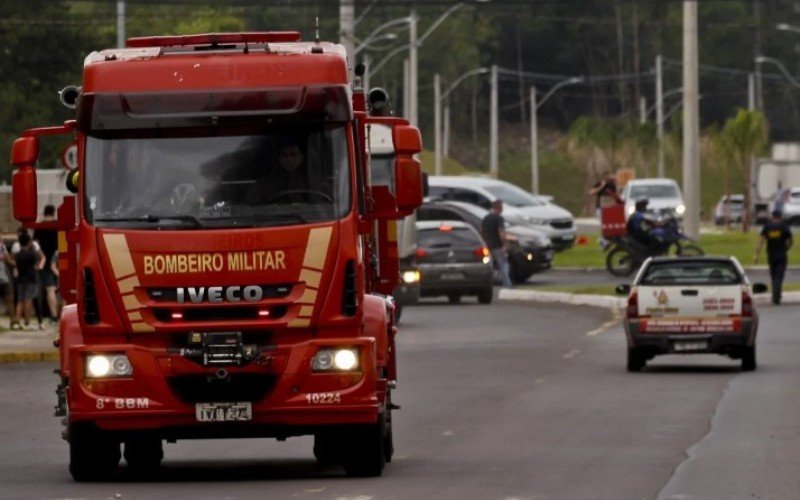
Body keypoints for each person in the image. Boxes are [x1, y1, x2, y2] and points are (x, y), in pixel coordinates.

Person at [245, 140, 311, 204]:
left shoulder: (310, 181)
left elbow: (319, 206)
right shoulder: (266, 184)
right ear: (279, 159)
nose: (289, 160)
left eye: (293, 154)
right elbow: (250, 205)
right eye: (284, 155)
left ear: (301, 157)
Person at [755, 209, 793, 305]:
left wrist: (757, 254)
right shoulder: (784, 226)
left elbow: (761, 240)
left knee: (773, 276)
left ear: (772, 216)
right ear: (780, 217)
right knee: (779, 277)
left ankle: (775, 295)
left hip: (771, 256)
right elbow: (790, 240)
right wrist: (787, 248)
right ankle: (777, 296)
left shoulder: (768, 226)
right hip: (782, 255)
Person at [12, 232, 45, 330]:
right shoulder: (32, 254)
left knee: (20, 300)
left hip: (20, 279)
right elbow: (36, 266)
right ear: (28, 242)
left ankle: (17, 322)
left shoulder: (18, 255)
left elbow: (15, 264)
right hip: (31, 279)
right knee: (28, 300)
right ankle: (27, 322)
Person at [33, 205, 59, 323]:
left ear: (44, 212)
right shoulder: (58, 225)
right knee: (62, 290)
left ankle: (53, 316)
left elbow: (35, 245)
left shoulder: (40, 227)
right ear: (53, 212)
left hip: (45, 262)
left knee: (49, 289)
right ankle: (62, 315)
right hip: (59, 259)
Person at [481, 200, 512, 287]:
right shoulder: (499, 218)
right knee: (504, 265)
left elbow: (482, 232)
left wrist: (485, 243)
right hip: (498, 246)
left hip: (488, 246)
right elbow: (501, 233)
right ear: (498, 207)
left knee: (489, 266)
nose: (502, 208)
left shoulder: (486, 218)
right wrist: (505, 244)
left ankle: (487, 284)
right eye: (501, 207)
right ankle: (507, 284)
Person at [589, 171, 622, 247]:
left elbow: (617, 195)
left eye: (609, 177)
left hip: (611, 208)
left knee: (611, 225)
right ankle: (602, 241)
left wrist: (616, 184)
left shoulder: (612, 185)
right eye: (606, 177)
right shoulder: (600, 184)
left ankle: (609, 240)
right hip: (600, 208)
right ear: (603, 177)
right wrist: (601, 187)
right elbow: (591, 192)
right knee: (603, 225)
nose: (607, 178)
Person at [0, 233, 16, 329]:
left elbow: (8, 260)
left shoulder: (2, 247)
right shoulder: (2, 247)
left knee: (9, 299)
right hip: (3, 278)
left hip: (3, 277)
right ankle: (13, 321)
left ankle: (13, 321)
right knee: (9, 298)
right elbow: (7, 259)